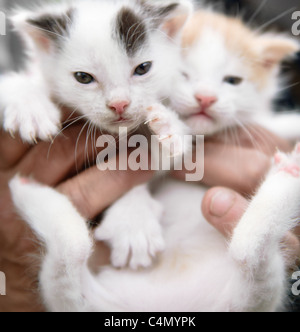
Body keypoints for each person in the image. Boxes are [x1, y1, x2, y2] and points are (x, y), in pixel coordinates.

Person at [0, 116, 299, 312]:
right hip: (219, 286)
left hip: (110, 292)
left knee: (68, 255)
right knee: (254, 252)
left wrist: (15, 291)